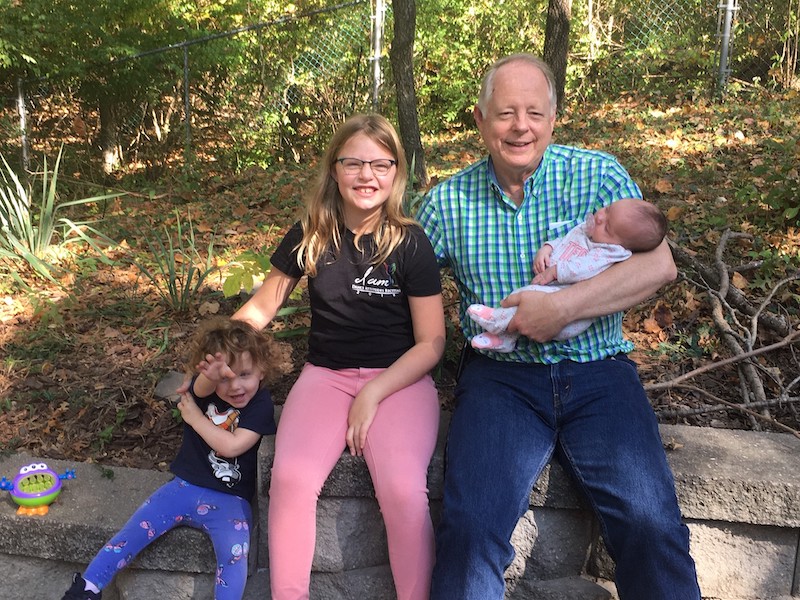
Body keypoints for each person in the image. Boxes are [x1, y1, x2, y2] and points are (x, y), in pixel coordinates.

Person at [416, 54, 701, 599]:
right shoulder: (448, 202)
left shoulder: (599, 176)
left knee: (651, 524)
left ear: (553, 118)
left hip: (600, 373)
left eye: (533, 113)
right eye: (504, 114)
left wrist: (563, 309)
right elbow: (400, 281)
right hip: (500, 381)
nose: (520, 126)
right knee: (470, 529)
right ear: (480, 120)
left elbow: (659, 264)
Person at [231, 113, 445, 600]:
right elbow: (263, 306)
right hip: (325, 377)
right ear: (334, 169)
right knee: (289, 478)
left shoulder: (410, 242)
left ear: (396, 173)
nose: (366, 175)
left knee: (402, 490)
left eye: (380, 164)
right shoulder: (310, 234)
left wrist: (373, 391)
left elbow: (432, 343)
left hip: (400, 381)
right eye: (353, 163)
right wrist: (222, 345)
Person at [61, 317, 283, 600]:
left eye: (244, 375)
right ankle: (87, 588)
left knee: (234, 555)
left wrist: (195, 418)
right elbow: (200, 388)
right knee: (132, 532)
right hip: (182, 488)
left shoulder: (260, 404)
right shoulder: (205, 392)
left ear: (262, 370)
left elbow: (233, 446)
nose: (235, 386)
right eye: (224, 377)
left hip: (230, 502)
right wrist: (209, 376)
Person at [468, 198, 668, 351]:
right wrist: (547, 248)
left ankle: (495, 319)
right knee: (528, 300)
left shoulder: (608, 252)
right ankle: (504, 339)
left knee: (527, 295)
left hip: (571, 318)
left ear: (619, 244)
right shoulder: (590, 231)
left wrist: (555, 272)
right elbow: (566, 241)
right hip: (551, 293)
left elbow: (584, 267)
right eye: (607, 209)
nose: (599, 217)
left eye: (607, 227)